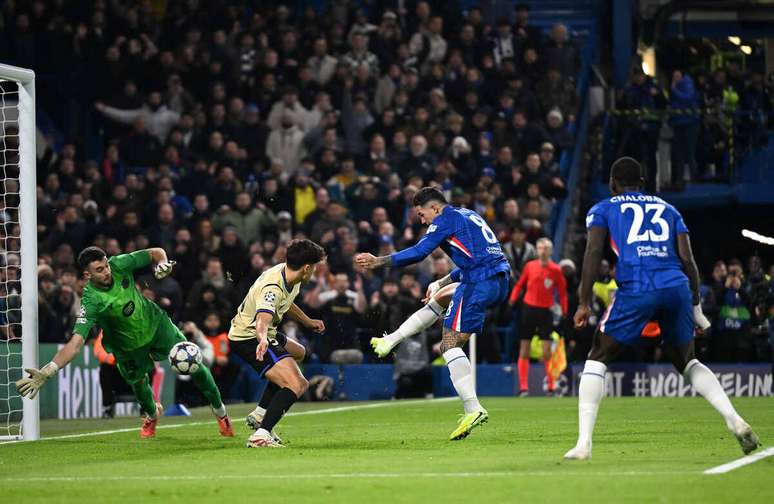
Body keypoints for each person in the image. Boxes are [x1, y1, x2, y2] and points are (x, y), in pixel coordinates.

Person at [565, 157, 759, 460]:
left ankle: (584, 444)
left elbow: (592, 252)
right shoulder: (669, 210)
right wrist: (695, 306)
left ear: (613, 184)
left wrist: (583, 302)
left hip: (638, 286)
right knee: (687, 361)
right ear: (643, 183)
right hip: (676, 286)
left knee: (598, 355)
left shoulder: (603, 209)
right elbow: (688, 260)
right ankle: (734, 420)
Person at [15, 247, 234, 439]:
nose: (107, 271)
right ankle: (151, 416)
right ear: (87, 274)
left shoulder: (119, 264)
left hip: (157, 326)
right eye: (99, 270)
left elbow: (155, 253)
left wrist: (163, 263)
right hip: (126, 348)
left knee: (194, 363)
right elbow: (75, 343)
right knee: (140, 388)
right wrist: (48, 371)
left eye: (105, 266)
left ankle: (221, 413)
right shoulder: (90, 301)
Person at [356, 187, 510, 441]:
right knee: (439, 299)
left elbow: (418, 253)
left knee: (448, 345)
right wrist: (442, 281)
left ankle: (473, 408)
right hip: (496, 278)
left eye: (421, 214)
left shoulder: (444, 220)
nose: (422, 220)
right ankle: (391, 340)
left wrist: (378, 261)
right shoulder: (467, 214)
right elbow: (477, 259)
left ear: (435, 208)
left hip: (479, 283)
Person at [229, 239, 326, 448]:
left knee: (299, 352)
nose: (315, 272)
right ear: (307, 267)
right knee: (297, 384)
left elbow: (285, 303)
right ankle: (261, 435)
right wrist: (263, 339)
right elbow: (262, 318)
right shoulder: (272, 287)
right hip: (249, 337)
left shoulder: (290, 275)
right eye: (315, 267)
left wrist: (307, 321)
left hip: (264, 332)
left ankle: (260, 413)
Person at [508, 238, 568, 396]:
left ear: (551, 251)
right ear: (536, 250)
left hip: (545, 311)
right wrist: (513, 299)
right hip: (528, 309)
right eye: (540, 247)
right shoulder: (530, 266)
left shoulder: (556, 270)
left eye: (546, 247)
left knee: (547, 350)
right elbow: (520, 284)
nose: (543, 250)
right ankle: (523, 387)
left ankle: (551, 385)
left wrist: (564, 311)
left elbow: (562, 293)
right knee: (524, 348)